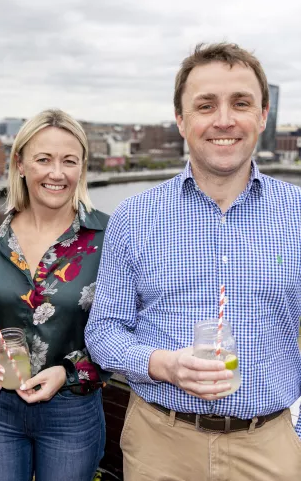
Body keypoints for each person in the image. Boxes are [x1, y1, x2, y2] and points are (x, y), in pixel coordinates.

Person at [85, 43, 301, 480]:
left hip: (270, 448)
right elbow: (103, 330)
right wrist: (164, 364)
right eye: (206, 105)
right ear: (181, 121)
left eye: (240, 103)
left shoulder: (298, 212)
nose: (224, 120)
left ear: (262, 115)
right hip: (160, 445)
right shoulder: (135, 216)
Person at [0, 109, 109, 481]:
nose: (56, 173)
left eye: (69, 161)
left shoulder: (108, 237)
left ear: (82, 168)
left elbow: (122, 329)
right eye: (43, 159)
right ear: (20, 164)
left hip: (72, 411)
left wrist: (66, 375)